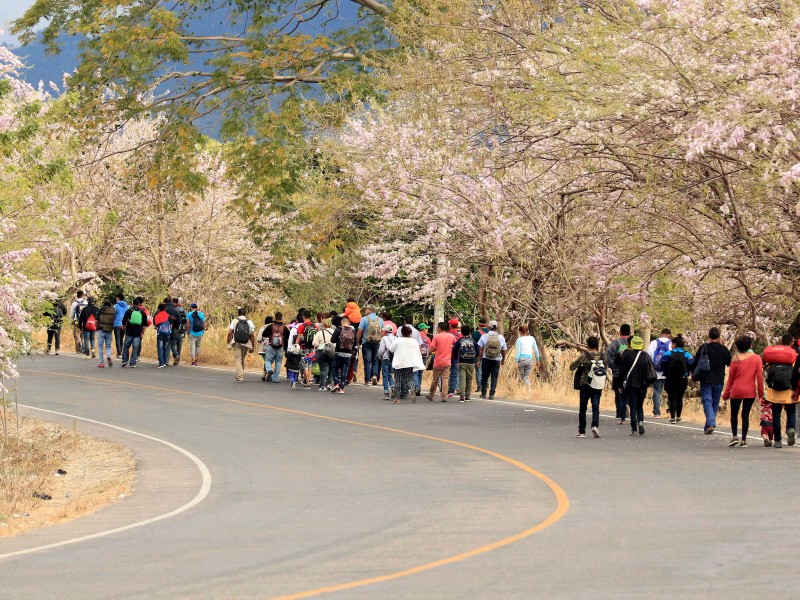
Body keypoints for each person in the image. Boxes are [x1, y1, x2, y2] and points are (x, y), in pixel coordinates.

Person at [722, 335, 763, 448]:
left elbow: (730, 379)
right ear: (750, 345)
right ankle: (744, 440)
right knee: (745, 414)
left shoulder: (735, 358)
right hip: (750, 391)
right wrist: (761, 395)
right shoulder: (757, 358)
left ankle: (735, 436)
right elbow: (759, 378)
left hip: (736, 389)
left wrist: (726, 393)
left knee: (734, 414)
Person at [692, 327, 732, 434]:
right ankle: (709, 424)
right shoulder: (724, 349)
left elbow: (695, 362)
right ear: (719, 337)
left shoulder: (704, 348)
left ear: (709, 336)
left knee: (707, 401)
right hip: (719, 379)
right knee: (714, 402)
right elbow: (730, 362)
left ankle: (710, 423)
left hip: (706, 378)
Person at [618, 335, 656, 436]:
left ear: (632, 344)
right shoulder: (644, 355)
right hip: (643, 384)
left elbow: (622, 371)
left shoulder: (627, 354)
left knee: (633, 406)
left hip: (631, 384)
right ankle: (641, 422)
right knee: (640, 405)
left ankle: (634, 429)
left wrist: (620, 384)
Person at [764, 333, 798, 447]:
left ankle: (777, 440)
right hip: (789, 390)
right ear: (791, 343)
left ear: (781, 342)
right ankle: (791, 429)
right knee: (791, 412)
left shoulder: (774, 356)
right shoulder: (793, 356)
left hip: (774, 391)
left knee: (776, 415)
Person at [569, 336, 606, 438]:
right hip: (598, 384)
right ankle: (595, 426)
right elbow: (605, 368)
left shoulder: (584, 356)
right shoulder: (603, 356)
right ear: (597, 345)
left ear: (588, 345)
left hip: (585, 383)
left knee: (583, 408)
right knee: (595, 406)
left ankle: (582, 431)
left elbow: (572, 366)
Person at [659, 335, 694, 423]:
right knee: (679, 397)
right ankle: (678, 416)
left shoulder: (668, 353)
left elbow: (661, 363)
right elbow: (692, 363)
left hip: (671, 378)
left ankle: (672, 417)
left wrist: (667, 370)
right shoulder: (686, 354)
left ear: (674, 344)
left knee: (672, 397)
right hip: (683, 378)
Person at [391, 325, 426, 401]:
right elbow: (417, 351)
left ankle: (397, 398)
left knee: (398, 380)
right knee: (409, 379)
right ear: (410, 333)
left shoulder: (398, 340)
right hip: (409, 363)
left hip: (398, 363)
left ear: (402, 333)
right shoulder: (414, 341)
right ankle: (413, 389)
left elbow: (391, 349)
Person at [606, 324, 631, 424]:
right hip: (631, 373)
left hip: (618, 372)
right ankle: (629, 408)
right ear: (630, 332)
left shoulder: (616, 343)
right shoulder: (633, 342)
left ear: (620, 332)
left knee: (618, 392)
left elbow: (608, 354)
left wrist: (613, 367)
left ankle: (620, 413)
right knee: (630, 391)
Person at [477, 320, 508, 400]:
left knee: (484, 376)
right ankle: (491, 394)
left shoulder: (484, 336)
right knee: (494, 377)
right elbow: (504, 349)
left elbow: (480, 349)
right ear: (496, 327)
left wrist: (479, 360)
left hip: (486, 358)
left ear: (489, 327)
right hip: (496, 359)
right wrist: (503, 359)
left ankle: (483, 393)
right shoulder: (500, 337)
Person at [427, 322, 456, 402]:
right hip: (447, 361)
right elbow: (455, 344)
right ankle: (444, 396)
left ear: (439, 328)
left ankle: (431, 395)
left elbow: (432, 348)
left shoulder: (437, 337)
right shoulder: (451, 336)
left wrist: (435, 349)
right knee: (445, 379)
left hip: (438, 361)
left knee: (435, 380)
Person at [647, 328, 672, 418]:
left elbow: (649, 354)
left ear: (661, 334)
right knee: (670, 392)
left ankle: (657, 412)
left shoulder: (654, 342)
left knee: (657, 392)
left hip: (656, 372)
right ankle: (670, 410)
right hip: (668, 372)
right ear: (669, 335)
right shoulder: (671, 343)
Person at [357, 305, 384, 386]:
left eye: (366, 309)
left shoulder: (364, 319)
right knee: (375, 360)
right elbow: (383, 332)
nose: (365, 311)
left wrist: (358, 341)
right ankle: (375, 375)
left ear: (369, 310)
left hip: (366, 342)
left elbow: (360, 331)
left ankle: (367, 380)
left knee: (367, 361)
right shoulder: (380, 320)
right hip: (377, 343)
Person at [226, 308, 255, 382]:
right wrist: (252, 346)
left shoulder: (234, 321)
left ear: (238, 314)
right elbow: (252, 335)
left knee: (238, 359)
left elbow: (229, 333)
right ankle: (240, 375)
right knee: (242, 359)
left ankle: (240, 376)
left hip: (236, 342)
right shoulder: (249, 322)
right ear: (245, 314)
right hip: (246, 343)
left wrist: (228, 342)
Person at [330, 316, 356, 393]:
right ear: (349, 322)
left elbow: (332, 340)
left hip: (338, 352)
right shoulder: (352, 331)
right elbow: (355, 343)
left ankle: (336, 383)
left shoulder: (338, 329)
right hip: (348, 353)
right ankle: (342, 388)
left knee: (335, 368)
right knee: (345, 370)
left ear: (341, 322)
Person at [121, 297, 149, 368]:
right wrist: (142, 332)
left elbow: (123, 321)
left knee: (126, 346)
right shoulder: (142, 312)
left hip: (129, 332)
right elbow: (145, 324)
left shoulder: (128, 311)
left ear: (133, 303)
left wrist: (125, 328)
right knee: (135, 347)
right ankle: (133, 363)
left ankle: (124, 361)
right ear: (139, 304)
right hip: (138, 333)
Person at [262, 312, 290, 384]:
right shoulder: (284, 327)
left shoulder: (271, 326)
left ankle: (269, 370)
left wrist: (270, 335)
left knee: (267, 360)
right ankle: (275, 378)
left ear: (275, 317)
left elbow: (263, 334)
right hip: (280, 347)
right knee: (278, 362)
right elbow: (288, 337)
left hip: (271, 346)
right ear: (281, 318)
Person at [454, 325, 477, 402]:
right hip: (471, 362)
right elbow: (478, 351)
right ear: (469, 332)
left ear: (462, 332)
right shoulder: (473, 341)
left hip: (462, 362)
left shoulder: (460, 341)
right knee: (469, 379)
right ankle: (467, 396)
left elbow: (454, 350)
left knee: (462, 379)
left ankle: (462, 397)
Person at [313, 318, 336, 391]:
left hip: (321, 351)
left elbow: (315, 343)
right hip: (333, 351)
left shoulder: (319, 332)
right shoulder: (334, 332)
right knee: (332, 368)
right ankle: (330, 384)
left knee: (323, 369)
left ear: (323, 324)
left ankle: (322, 385)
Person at [296, 310, 317, 389]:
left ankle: (307, 381)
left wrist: (296, 345)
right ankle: (309, 379)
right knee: (310, 363)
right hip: (312, 347)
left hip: (303, 347)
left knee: (304, 364)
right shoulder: (315, 326)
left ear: (303, 316)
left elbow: (298, 337)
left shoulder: (301, 326)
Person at [378, 324, 397, 400]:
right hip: (393, 359)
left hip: (386, 358)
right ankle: (392, 386)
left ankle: (386, 394)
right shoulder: (396, 338)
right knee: (390, 374)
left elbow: (381, 350)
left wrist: (379, 356)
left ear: (385, 331)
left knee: (385, 376)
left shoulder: (384, 338)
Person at [97, 300, 116, 368]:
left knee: (100, 346)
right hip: (109, 330)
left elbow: (97, 320)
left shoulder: (101, 310)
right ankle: (108, 356)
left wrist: (97, 327)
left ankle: (101, 363)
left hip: (101, 329)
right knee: (108, 346)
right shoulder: (113, 310)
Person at [472, 318, 489, 392]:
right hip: (488, 355)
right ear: (486, 325)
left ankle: (480, 387)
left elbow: (473, 344)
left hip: (478, 354)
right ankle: (487, 385)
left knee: (479, 371)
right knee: (487, 370)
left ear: (478, 324)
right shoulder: (490, 332)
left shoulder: (476, 333)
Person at [153, 303, 172, 369]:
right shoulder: (168, 315)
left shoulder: (157, 316)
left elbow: (156, 325)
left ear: (159, 309)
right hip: (167, 333)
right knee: (165, 347)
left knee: (160, 348)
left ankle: (161, 363)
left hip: (160, 333)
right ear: (165, 308)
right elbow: (171, 325)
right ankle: (165, 362)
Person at [447, 318, 463, 397]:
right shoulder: (460, 335)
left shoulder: (447, 334)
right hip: (457, 356)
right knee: (454, 373)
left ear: (450, 325)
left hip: (447, 356)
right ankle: (452, 390)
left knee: (445, 373)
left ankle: (444, 389)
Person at [69, 290, 88, 354]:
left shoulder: (74, 303)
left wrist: (71, 321)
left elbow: (72, 313)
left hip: (77, 320)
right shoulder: (86, 302)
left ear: (77, 295)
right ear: (82, 295)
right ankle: (84, 347)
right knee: (84, 334)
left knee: (77, 334)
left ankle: (78, 349)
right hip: (85, 321)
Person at [170, 297, 187, 366]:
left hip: (176, 329)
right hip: (183, 329)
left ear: (174, 302)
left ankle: (176, 355)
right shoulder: (183, 310)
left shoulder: (174, 310)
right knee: (179, 344)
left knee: (172, 344)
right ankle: (178, 358)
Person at [256, 316, 273, 380]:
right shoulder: (274, 327)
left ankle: (268, 373)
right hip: (273, 347)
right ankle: (264, 375)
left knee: (266, 361)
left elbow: (259, 339)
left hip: (263, 348)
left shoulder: (262, 328)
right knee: (268, 361)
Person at [113, 293, 129, 358]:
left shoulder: (115, 306)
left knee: (117, 339)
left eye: (116, 298)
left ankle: (119, 353)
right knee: (121, 339)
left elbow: (113, 315)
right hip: (124, 325)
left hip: (117, 324)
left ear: (118, 298)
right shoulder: (128, 306)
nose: (116, 299)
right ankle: (121, 352)